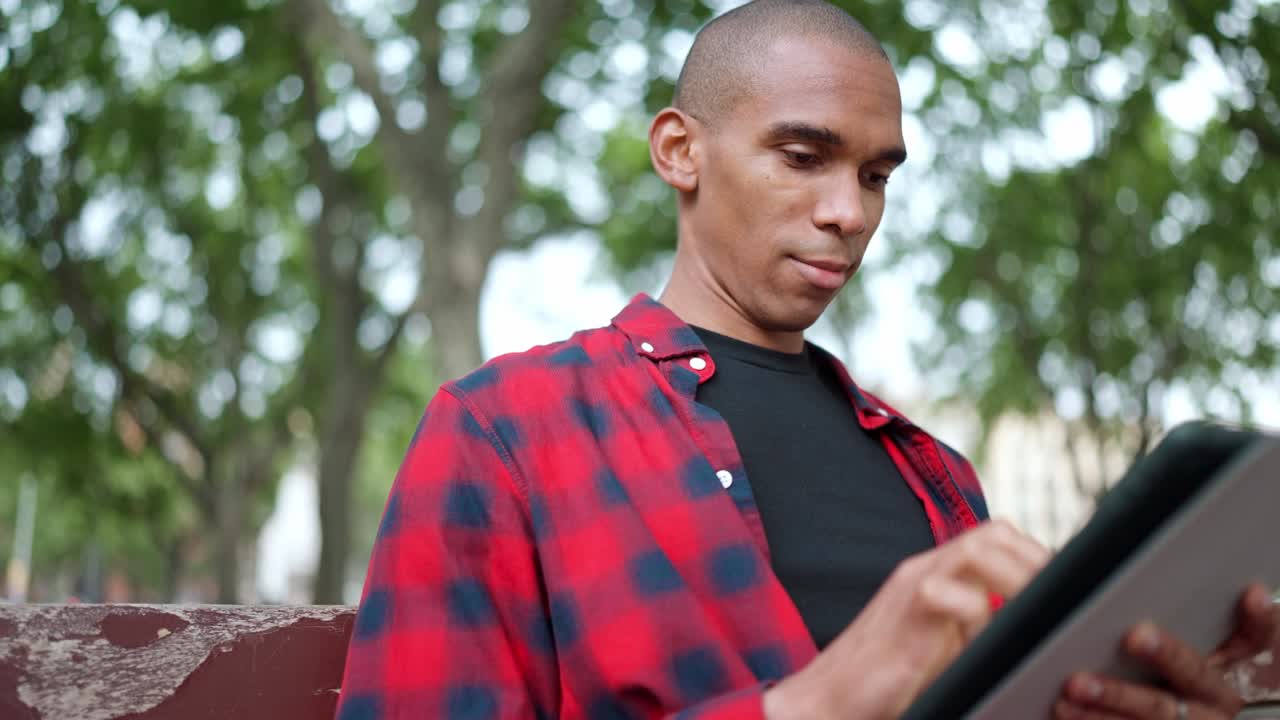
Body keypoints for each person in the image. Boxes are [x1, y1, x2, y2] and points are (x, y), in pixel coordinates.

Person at [336, 2, 1278, 718]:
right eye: (802, 157)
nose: (851, 213)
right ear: (679, 152)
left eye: (875, 175)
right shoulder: (506, 429)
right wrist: (814, 704)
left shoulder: (937, 475)